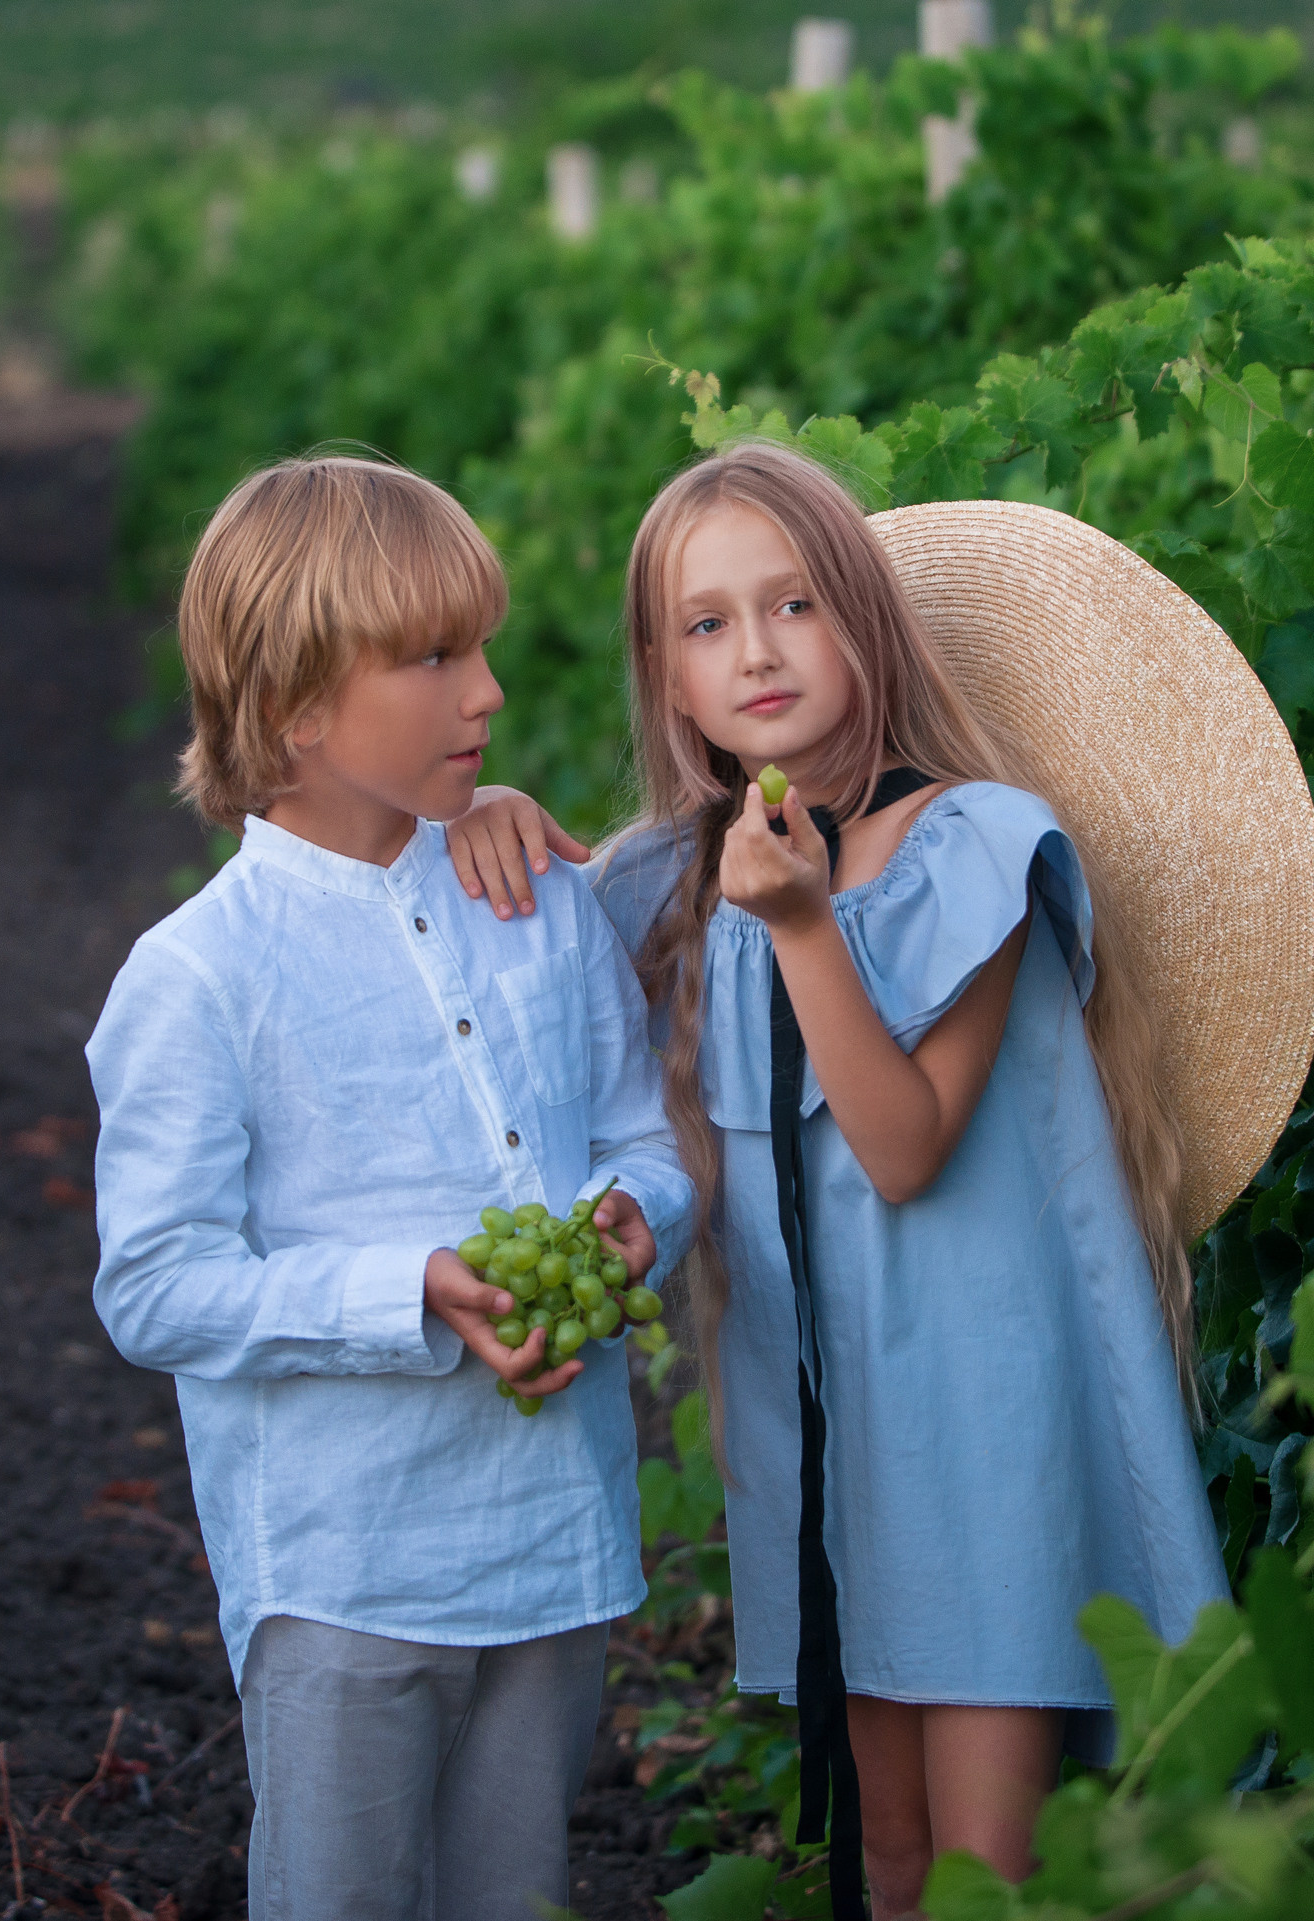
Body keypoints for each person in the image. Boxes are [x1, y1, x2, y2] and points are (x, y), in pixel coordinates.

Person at [447, 441, 1227, 1920]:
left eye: (795, 603)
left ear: (866, 623)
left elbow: (905, 1147)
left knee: (986, 1871)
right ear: (668, 678)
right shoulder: (673, 883)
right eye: (707, 623)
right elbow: (489, 977)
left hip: (984, 1426)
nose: (756, 651)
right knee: (888, 1862)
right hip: (824, 1440)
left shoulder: (971, 847)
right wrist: (484, 818)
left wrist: (806, 926)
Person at [85, 454, 692, 1921]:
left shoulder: (539, 905)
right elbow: (155, 1284)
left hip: (550, 1538)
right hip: (345, 1567)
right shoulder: (200, 976)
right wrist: (408, 1288)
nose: (487, 691)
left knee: (515, 1893)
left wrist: (638, 1218)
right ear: (297, 704)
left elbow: (650, 1140)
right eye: (433, 658)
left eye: (479, 647)